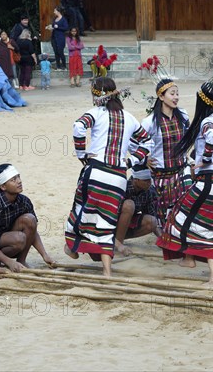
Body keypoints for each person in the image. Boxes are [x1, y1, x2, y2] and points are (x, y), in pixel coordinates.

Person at [157, 67, 213, 286]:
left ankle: (191, 260)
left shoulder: (208, 122)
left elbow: (212, 137)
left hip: (210, 181)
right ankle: (201, 268)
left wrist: (205, 159)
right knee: (208, 228)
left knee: (178, 216)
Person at [65, 78, 151, 276]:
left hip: (96, 170)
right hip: (119, 176)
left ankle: (71, 248)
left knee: (80, 208)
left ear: (96, 95)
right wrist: (131, 162)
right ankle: (107, 271)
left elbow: (78, 127)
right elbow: (147, 141)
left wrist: (81, 154)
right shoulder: (129, 117)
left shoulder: (95, 113)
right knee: (107, 220)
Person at [0, 164, 55, 271]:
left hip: (11, 237)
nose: (19, 181)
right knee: (19, 239)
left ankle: (21, 261)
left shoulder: (24, 201)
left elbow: (33, 231)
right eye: (13, 180)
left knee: (30, 219)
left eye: (18, 177)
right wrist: (9, 262)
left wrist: (44, 255)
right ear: (3, 187)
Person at [141, 77, 192, 228]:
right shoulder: (150, 121)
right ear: (161, 96)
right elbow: (134, 142)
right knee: (163, 212)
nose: (176, 97)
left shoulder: (183, 115)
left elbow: (189, 136)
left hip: (181, 170)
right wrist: (145, 158)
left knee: (186, 204)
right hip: (160, 174)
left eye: (177, 93)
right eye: (172, 93)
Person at [114, 165, 161, 256]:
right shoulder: (123, 188)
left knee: (152, 222)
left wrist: (161, 239)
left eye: (149, 180)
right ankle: (118, 243)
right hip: (111, 224)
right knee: (129, 205)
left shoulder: (149, 191)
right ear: (136, 180)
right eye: (146, 181)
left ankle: (118, 240)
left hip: (126, 225)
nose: (149, 183)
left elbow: (151, 214)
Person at [50, 7, 69, 71]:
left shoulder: (63, 19)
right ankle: (58, 66)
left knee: (60, 52)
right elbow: (53, 26)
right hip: (53, 37)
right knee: (56, 52)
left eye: (55, 11)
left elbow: (66, 28)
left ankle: (64, 66)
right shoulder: (55, 18)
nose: (54, 12)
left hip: (60, 38)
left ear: (58, 11)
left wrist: (58, 27)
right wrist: (50, 27)